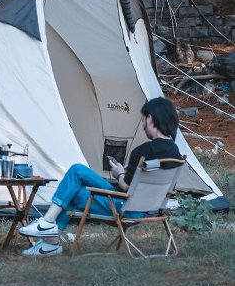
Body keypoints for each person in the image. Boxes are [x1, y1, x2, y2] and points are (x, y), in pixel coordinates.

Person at [18, 96, 182, 257]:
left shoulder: (142, 152)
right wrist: (128, 172)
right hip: (147, 208)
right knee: (78, 174)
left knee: (75, 179)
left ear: (151, 119)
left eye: (144, 120)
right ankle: (49, 238)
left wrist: (119, 173)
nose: (143, 126)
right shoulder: (175, 154)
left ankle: (49, 231)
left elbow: (126, 186)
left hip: (124, 206)